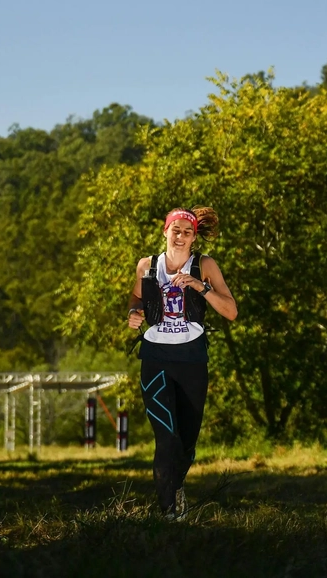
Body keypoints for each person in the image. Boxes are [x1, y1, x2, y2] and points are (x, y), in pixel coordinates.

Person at [127, 206, 237, 519]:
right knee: (167, 439)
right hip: (156, 359)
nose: (180, 236)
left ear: (193, 238)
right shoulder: (147, 266)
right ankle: (168, 515)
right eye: (175, 230)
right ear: (165, 231)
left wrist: (200, 286)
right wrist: (132, 315)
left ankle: (176, 490)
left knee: (186, 444)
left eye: (187, 232)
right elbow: (136, 298)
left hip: (191, 360)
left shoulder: (204, 264)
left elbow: (231, 311)